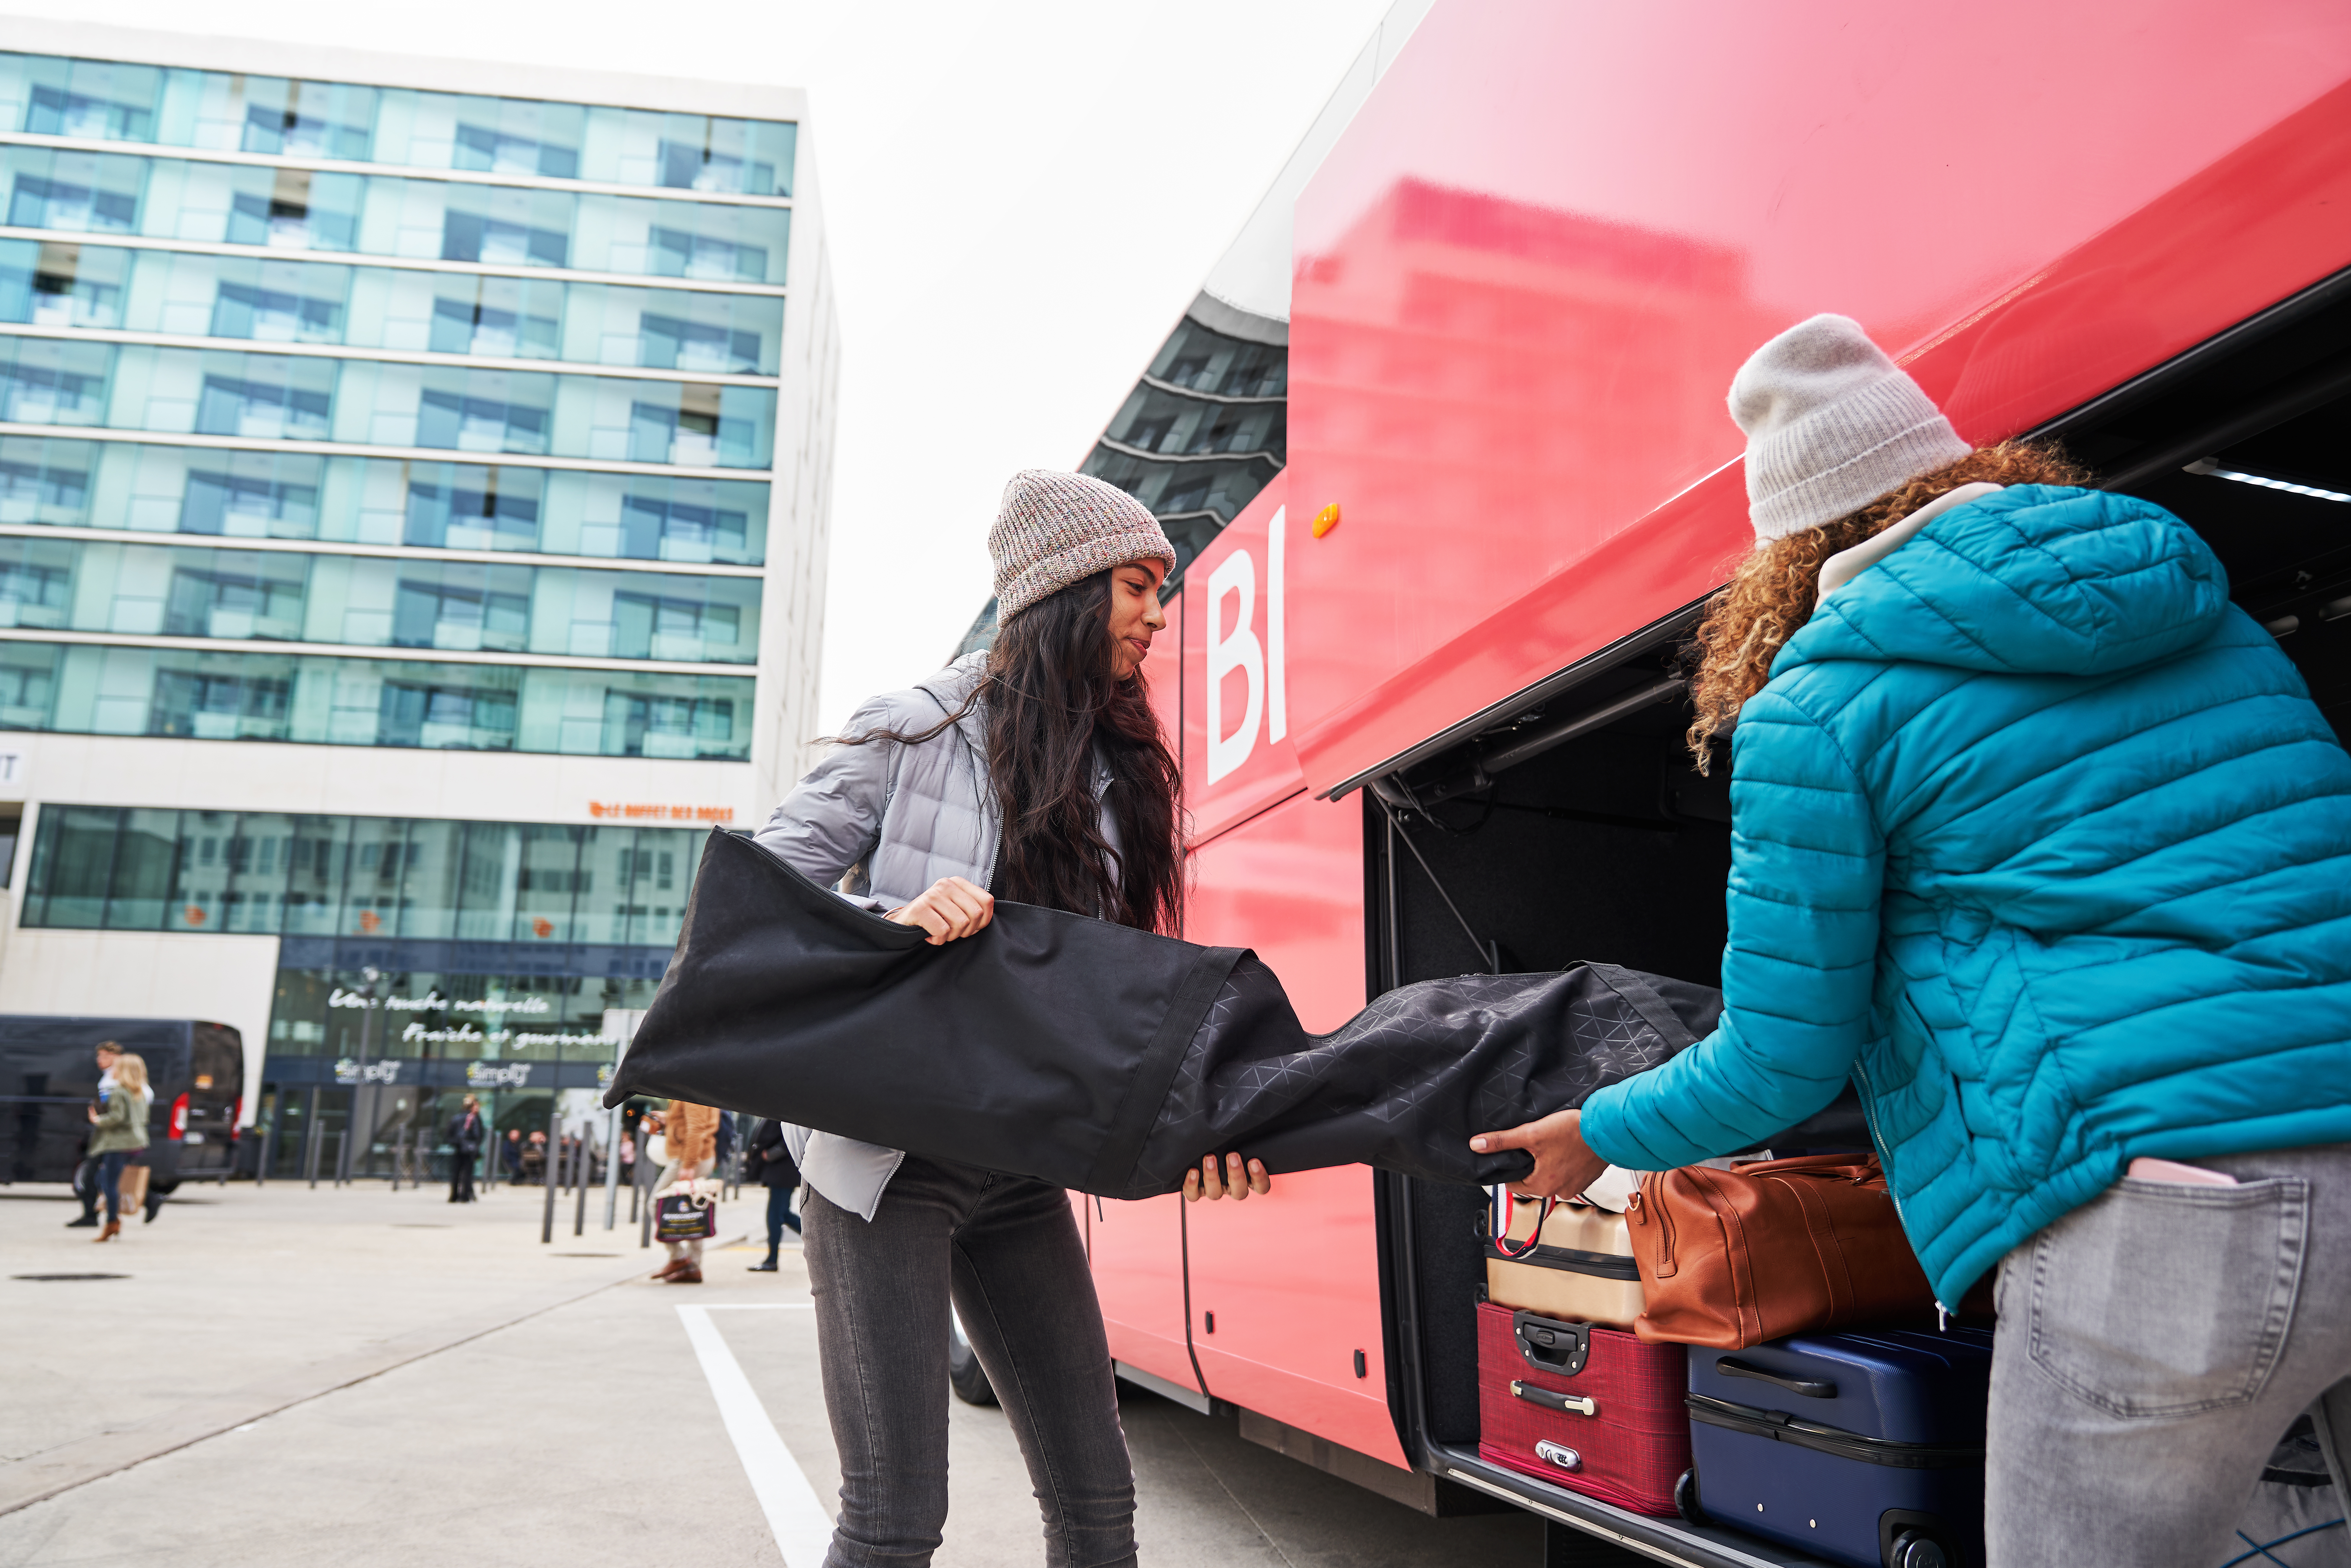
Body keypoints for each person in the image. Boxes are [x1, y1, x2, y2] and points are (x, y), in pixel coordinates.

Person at [1473, 315, 2351, 1568]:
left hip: (2164, 1220)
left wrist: (1592, 1132)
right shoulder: (2208, 621)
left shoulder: (1816, 714)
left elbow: (1779, 1061)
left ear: (1787, 544)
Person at [754, 469, 1242, 1568]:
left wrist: (1201, 1120)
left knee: (1096, 1505)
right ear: (1064, 590)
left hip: (1017, 1168)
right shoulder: (917, 728)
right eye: (1135, 586)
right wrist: (892, 920)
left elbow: (1118, 988)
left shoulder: (1119, 775)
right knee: (892, 1520)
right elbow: (756, 898)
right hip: (882, 1166)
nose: (1156, 615)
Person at [85, 1050, 150, 1243]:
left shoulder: (120, 1091)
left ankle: (112, 1221)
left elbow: (118, 1118)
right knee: (105, 1180)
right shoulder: (140, 1091)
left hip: (118, 1142)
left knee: (108, 1183)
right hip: (135, 1141)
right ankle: (114, 1216)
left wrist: (98, 1120)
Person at [651, 1098, 718, 1284]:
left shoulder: (692, 1089)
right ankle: (693, 1268)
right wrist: (670, 1119)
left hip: (689, 1158)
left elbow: (696, 1128)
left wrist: (689, 1164)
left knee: (657, 1204)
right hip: (697, 1156)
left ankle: (679, 1258)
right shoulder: (694, 1087)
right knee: (693, 1211)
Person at [66, 1041, 127, 1229]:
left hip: (110, 1132)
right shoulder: (110, 1077)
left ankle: (100, 1217)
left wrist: (99, 1119)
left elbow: (117, 1113)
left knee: (100, 1173)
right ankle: (93, 1214)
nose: (100, 1060)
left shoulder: (117, 1079)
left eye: (106, 1056)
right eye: (99, 1056)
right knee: (102, 1173)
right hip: (106, 1131)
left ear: (117, 1058)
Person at [746, 1117, 802, 1272]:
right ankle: (772, 1259)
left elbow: (790, 1139)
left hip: (782, 1171)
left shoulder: (786, 1109)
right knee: (781, 1214)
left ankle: (772, 1260)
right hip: (781, 1171)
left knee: (775, 1216)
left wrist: (771, 1154)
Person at [446, 1096, 486, 1203]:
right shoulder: (474, 1118)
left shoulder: (455, 1118)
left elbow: (449, 1135)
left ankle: (454, 1196)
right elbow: (478, 1135)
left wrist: (456, 1143)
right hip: (469, 1150)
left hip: (458, 1149)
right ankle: (465, 1196)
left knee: (456, 1173)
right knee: (467, 1173)